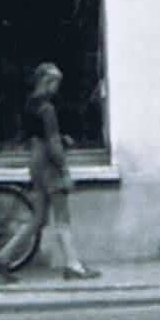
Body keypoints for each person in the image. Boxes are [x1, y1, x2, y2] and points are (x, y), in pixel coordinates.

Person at [24, 62, 98, 281]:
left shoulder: (29, 103)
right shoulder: (47, 109)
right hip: (50, 164)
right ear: (47, 81)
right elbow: (53, 143)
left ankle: (4, 255)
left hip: (35, 161)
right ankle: (73, 265)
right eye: (56, 83)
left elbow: (36, 135)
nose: (57, 88)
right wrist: (64, 169)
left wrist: (58, 138)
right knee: (62, 216)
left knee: (38, 218)